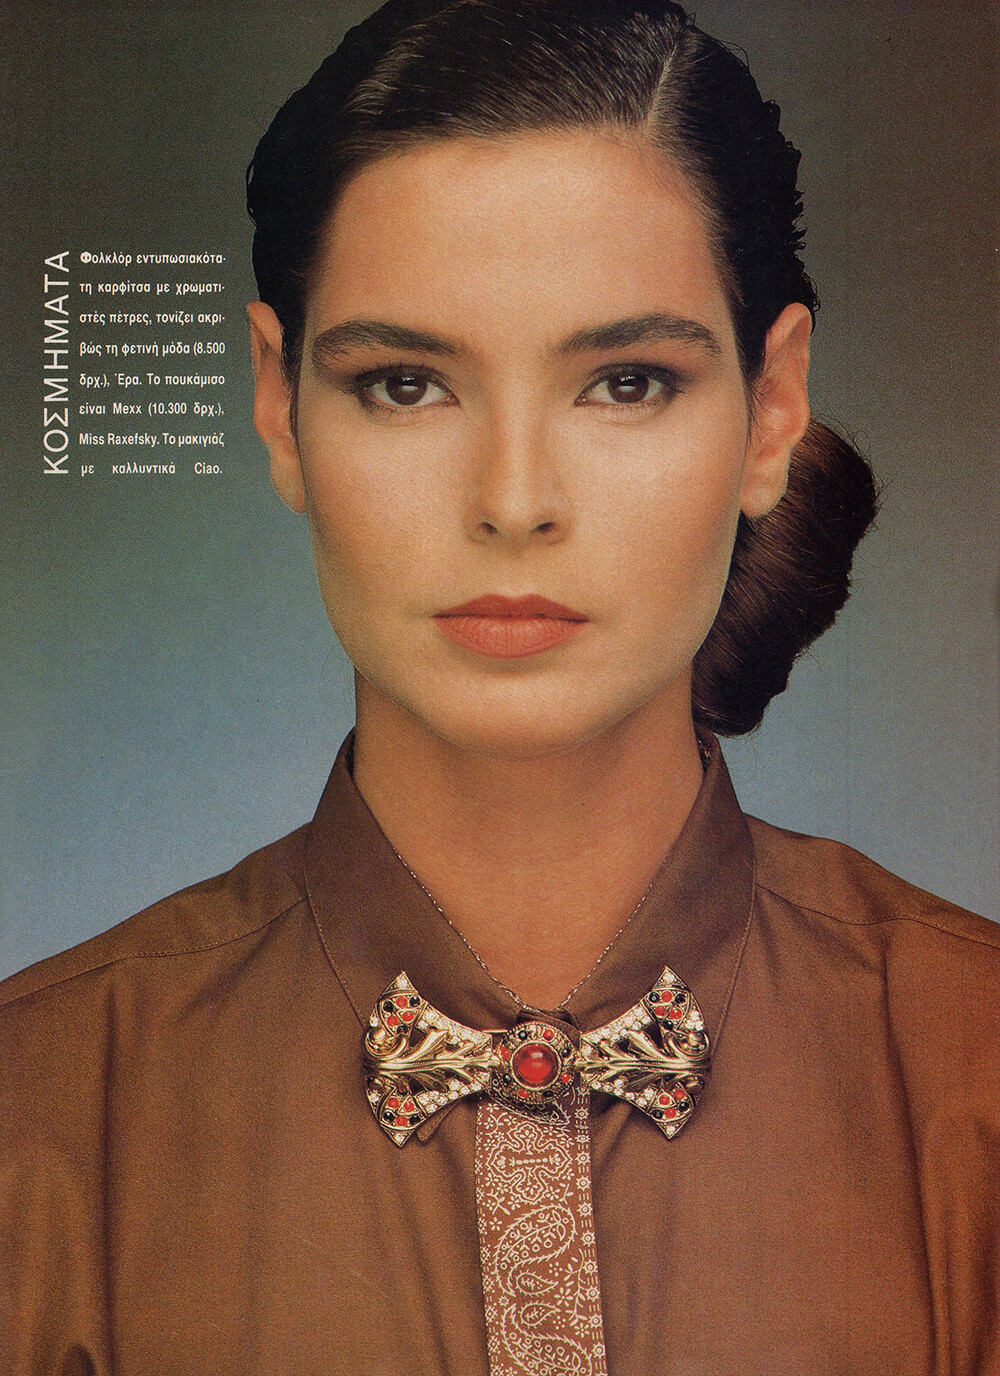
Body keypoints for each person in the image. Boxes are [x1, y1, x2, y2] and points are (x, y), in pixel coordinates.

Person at [2, 1, 997, 1373]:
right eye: (406, 384)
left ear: (773, 409)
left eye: (626, 382)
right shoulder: (36, 1121)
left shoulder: (975, 1073)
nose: (514, 500)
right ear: (281, 407)